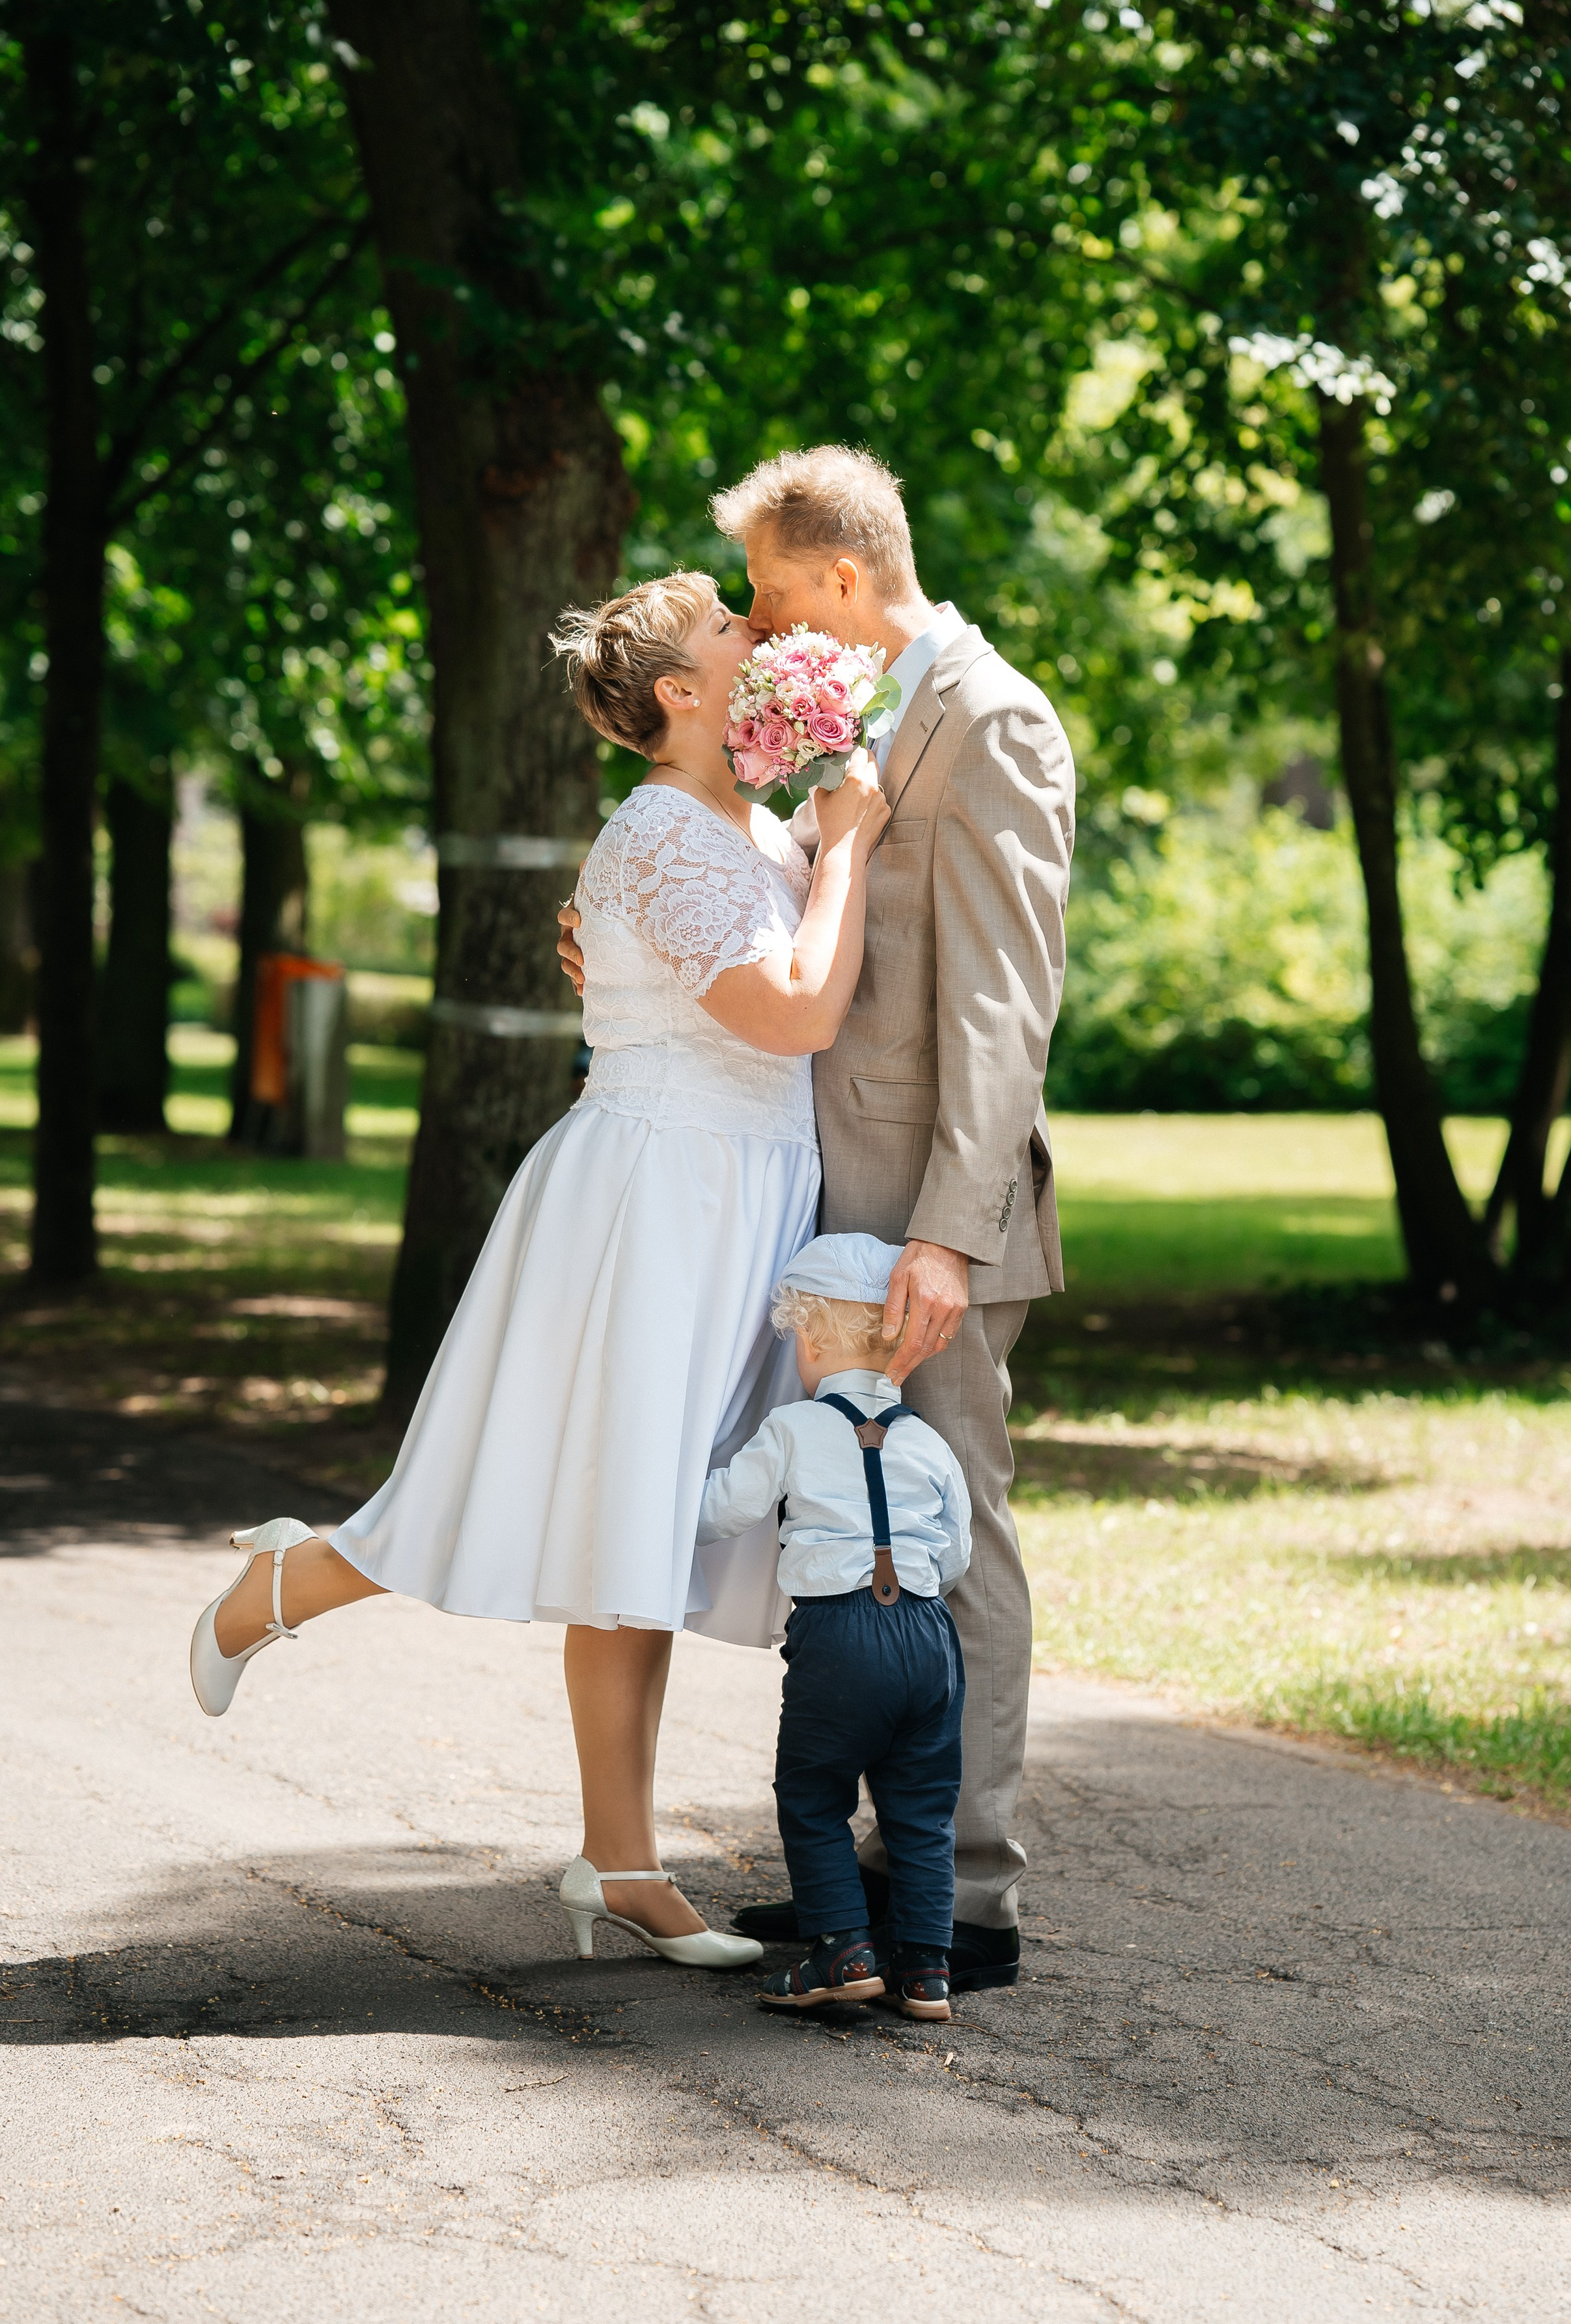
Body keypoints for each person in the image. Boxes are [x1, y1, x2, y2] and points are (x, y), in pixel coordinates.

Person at [188, 569, 891, 1972]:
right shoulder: (663, 837)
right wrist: (852, 845)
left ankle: (619, 1864)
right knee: (518, 1495)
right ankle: (280, 1588)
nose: (762, 636)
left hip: (734, 1196)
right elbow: (797, 1009)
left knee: (648, 1535)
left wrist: (818, 839)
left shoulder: (740, 826)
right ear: (680, 695)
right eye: (731, 630)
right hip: (652, 1203)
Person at [561, 446, 1074, 1991]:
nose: (764, 629)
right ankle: (868, 1873)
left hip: (930, 1213)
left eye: (776, 598)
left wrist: (948, 1232)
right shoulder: (842, 722)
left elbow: (1001, 1007)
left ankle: (966, 1894)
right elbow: (770, 912)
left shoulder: (991, 721)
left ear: (843, 581)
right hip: (812, 1190)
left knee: (947, 1527)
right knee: (844, 1538)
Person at [697, 1233, 970, 2024]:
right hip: (927, 1635)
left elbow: (722, 1514)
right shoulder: (929, 1441)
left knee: (814, 1796)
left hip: (840, 1637)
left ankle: (842, 1951)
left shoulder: (791, 1428)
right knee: (919, 1808)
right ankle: (925, 1970)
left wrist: (665, 1486)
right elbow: (954, 1553)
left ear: (809, 1338)